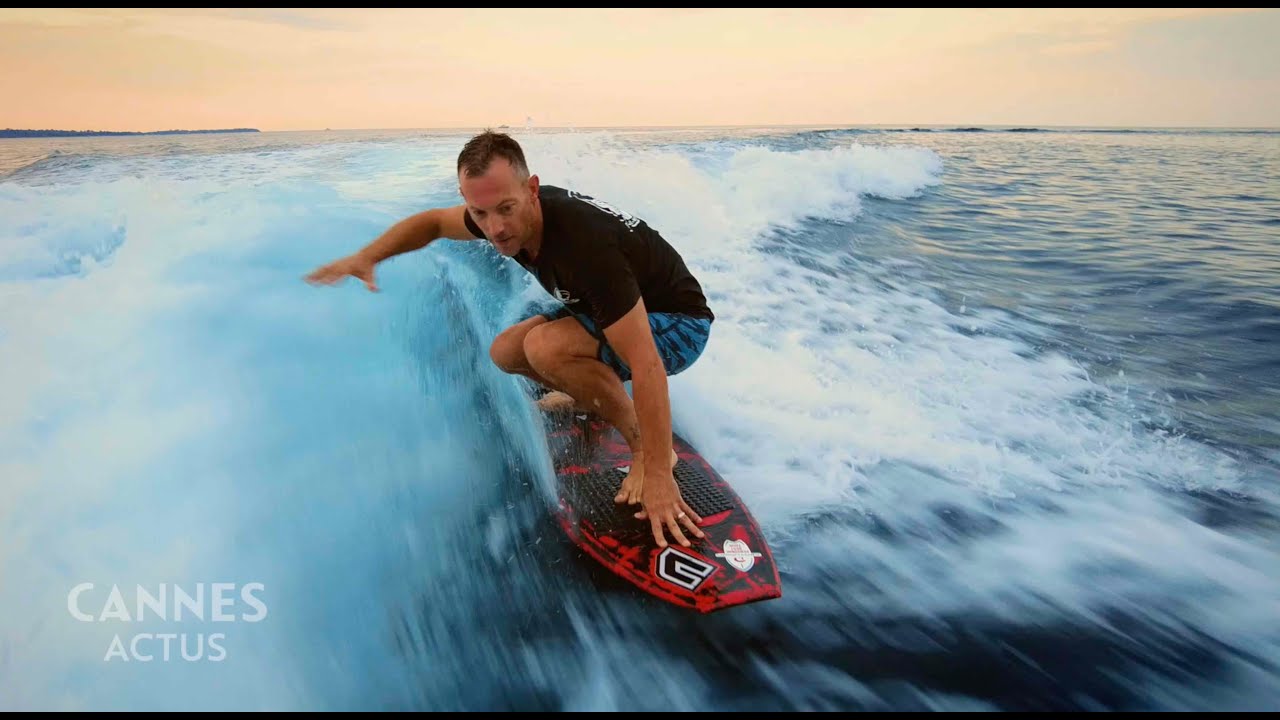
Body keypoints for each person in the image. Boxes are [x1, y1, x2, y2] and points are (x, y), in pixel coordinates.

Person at [305, 131, 714, 549]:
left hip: (679, 325)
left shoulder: (585, 246)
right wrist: (367, 257)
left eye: (505, 209)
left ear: (531, 190)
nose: (495, 229)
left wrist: (660, 477)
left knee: (546, 348)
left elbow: (646, 364)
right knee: (507, 351)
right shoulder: (499, 216)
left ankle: (646, 448)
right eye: (479, 213)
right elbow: (430, 223)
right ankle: (587, 393)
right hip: (605, 310)